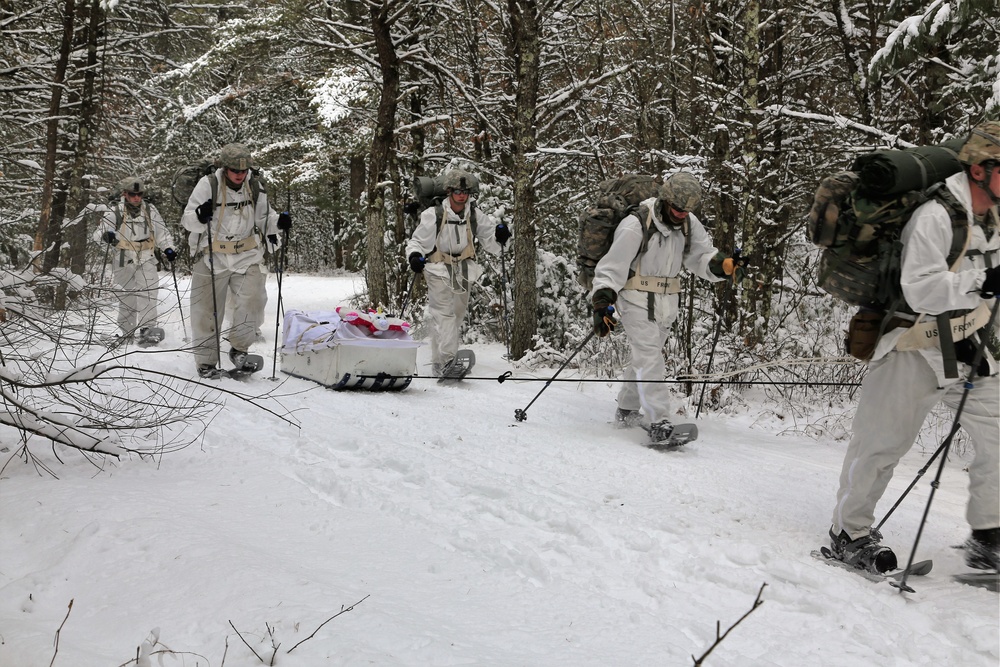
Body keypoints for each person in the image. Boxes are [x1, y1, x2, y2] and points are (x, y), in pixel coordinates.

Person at [827, 121, 1000, 574]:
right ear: (980, 169)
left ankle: (990, 535)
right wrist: (983, 281)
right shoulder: (937, 215)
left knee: (999, 433)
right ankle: (850, 531)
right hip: (912, 343)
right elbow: (921, 290)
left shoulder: (993, 214)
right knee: (881, 445)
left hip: (969, 345)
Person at [589, 171, 743, 443]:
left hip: (666, 302)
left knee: (644, 357)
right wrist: (602, 303)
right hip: (635, 298)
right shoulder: (635, 224)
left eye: (687, 211)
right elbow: (611, 267)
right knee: (650, 358)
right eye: (677, 209)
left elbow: (700, 256)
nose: (682, 214)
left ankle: (626, 410)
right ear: (665, 199)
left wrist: (721, 265)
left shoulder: (688, 223)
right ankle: (658, 420)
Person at [180, 143, 291, 378]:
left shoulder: (254, 186)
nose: (240, 175)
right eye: (234, 170)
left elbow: (264, 218)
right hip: (213, 255)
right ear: (225, 167)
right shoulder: (208, 184)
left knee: (254, 301)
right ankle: (206, 361)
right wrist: (200, 215)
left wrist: (278, 223)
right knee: (205, 310)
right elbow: (188, 219)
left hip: (246, 253)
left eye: (243, 170)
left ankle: (239, 349)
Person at [405, 169, 510, 376]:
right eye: (457, 191)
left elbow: (492, 242)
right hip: (437, 267)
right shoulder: (433, 214)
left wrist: (502, 236)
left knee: (457, 316)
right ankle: (447, 362)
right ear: (449, 192)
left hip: (464, 269)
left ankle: (438, 360)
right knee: (444, 314)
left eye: (466, 191)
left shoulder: (474, 215)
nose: (462, 195)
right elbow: (416, 242)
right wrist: (415, 256)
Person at [95, 177, 176, 345]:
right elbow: (97, 235)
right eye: (133, 194)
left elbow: (162, 232)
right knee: (127, 296)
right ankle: (127, 332)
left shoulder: (150, 210)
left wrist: (168, 248)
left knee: (149, 294)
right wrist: (106, 236)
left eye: (139, 194)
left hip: (146, 256)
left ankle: (148, 330)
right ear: (125, 194)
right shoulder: (114, 211)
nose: (136, 198)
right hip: (123, 258)